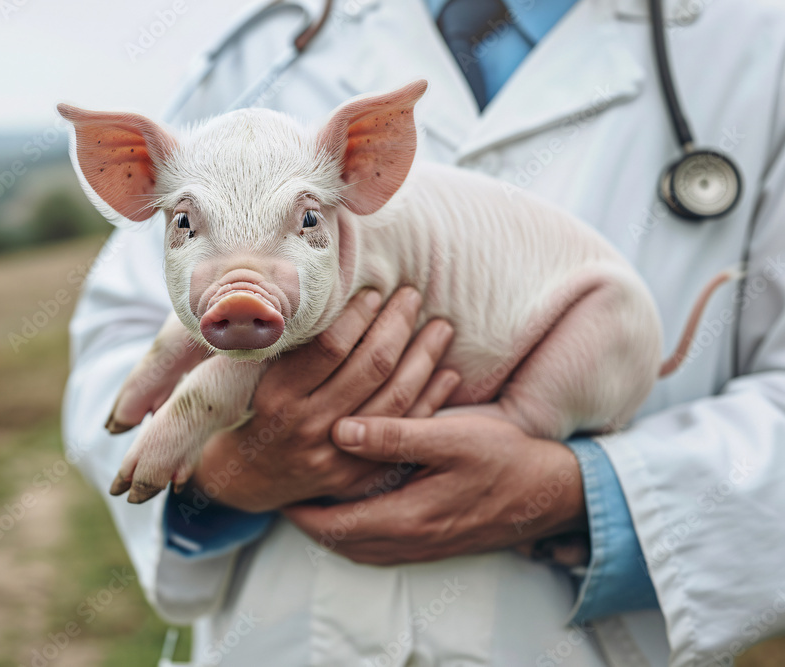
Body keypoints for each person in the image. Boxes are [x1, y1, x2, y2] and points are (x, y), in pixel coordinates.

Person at [61, 0, 785, 664]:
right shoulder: (268, 43)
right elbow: (117, 332)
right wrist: (223, 474)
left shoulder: (759, 45)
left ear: (367, 157)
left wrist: (582, 492)